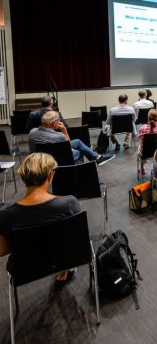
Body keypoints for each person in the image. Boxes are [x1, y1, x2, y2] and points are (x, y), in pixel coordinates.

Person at [0, 153, 81, 283]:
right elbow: (76, 237)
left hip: (25, 269)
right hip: (63, 258)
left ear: (23, 177)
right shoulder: (70, 203)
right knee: (64, 239)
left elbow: (2, 250)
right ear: (50, 175)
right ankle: (64, 271)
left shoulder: (6, 215)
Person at [29, 111, 112, 165]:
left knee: (77, 142)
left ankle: (97, 157)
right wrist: (64, 131)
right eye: (59, 120)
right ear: (54, 124)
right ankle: (76, 173)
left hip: (38, 161)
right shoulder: (59, 136)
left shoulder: (32, 132)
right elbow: (68, 148)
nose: (60, 121)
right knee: (79, 152)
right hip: (54, 161)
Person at [137, 109, 157, 175]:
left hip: (146, 153)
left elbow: (139, 137)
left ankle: (142, 168)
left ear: (148, 118)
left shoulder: (143, 127)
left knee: (140, 146)